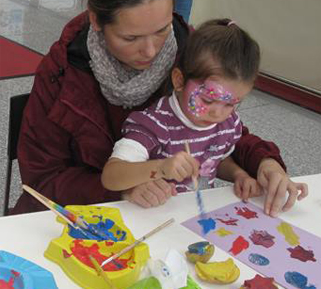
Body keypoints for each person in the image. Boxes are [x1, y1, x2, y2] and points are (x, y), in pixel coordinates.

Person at [12, 0, 307, 218]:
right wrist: (123, 188)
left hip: (166, 217)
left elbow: (219, 129)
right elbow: (43, 178)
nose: (151, 51)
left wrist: (263, 163)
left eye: (162, 29)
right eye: (131, 37)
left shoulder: (191, 53)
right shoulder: (63, 72)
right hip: (80, 217)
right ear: (97, 21)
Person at [101, 19, 308, 215]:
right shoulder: (155, 124)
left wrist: (238, 174)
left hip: (196, 219)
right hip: (155, 217)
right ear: (179, 80)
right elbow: (111, 176)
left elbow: (214, 159)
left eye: (231, 103)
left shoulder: (227, 123)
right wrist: (160, 168)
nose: (218, 113)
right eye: (208, 100)